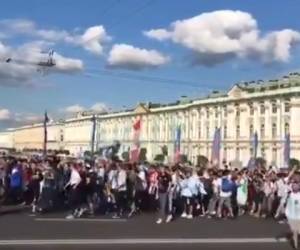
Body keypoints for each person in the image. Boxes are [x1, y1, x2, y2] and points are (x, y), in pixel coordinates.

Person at [285, 182, 300, 249]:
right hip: (292, 216)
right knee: (295, 232)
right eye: (293, 186)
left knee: (298, 231)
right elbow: (287, 205)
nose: (295, 187)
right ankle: (295, 245)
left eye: (296, 186)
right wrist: (287, 214)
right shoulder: (290, 195)